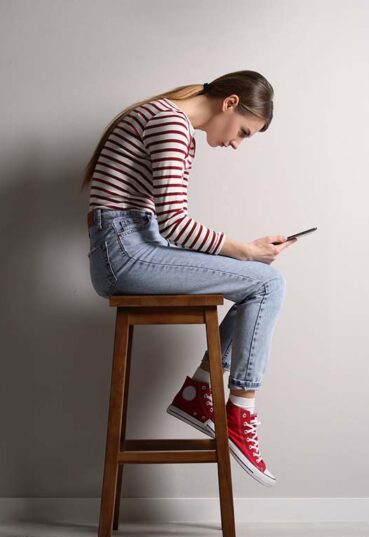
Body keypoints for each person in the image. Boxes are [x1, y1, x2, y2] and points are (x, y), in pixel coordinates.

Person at [80, 70, 297, 486]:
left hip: (129, 247)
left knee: (258, 280)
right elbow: (176, 224)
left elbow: (166, 227)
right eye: (245, 133)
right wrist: (245, 251)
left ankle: (201, 393)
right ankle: (238, 410)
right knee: (267, 282)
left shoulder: (167, 119)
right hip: (125, 253)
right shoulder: (171, 123)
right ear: (229, 103)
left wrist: (246, 255)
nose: (236, 143)